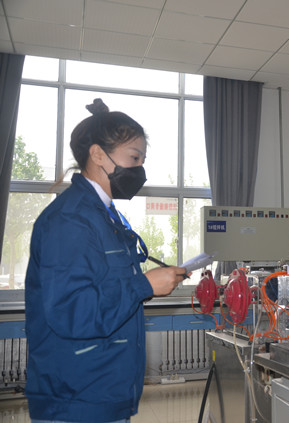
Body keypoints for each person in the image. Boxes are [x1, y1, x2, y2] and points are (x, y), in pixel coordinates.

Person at [25, 99, 187, 422]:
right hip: (76, 398)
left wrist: (149, 284)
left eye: (142, 160)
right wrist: (143, 285)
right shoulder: (70, 220)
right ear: (98, 154)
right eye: (134, 158)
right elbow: (72, 311)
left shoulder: (103, 216)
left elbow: (106, 289)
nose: (139, 169)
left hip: (102, 391)